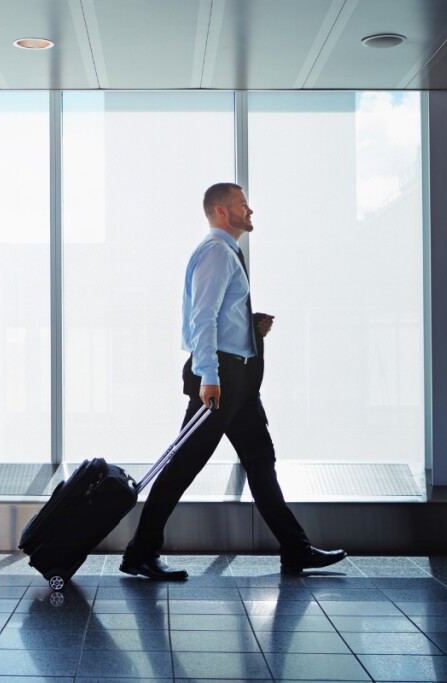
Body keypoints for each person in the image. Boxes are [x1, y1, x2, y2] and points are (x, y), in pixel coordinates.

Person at [119, 183, 347, 580]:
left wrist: (250, 327)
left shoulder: (228, 254)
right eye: (243, 204)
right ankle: (140, 552)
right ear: (222, 211)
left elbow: (220, 316)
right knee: (183, 466)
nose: (251, 210)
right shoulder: (216, 253)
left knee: (261, 463)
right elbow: (202, 319)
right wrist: (209, 376)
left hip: (238, 380)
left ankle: (296, 550)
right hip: (220, 380)